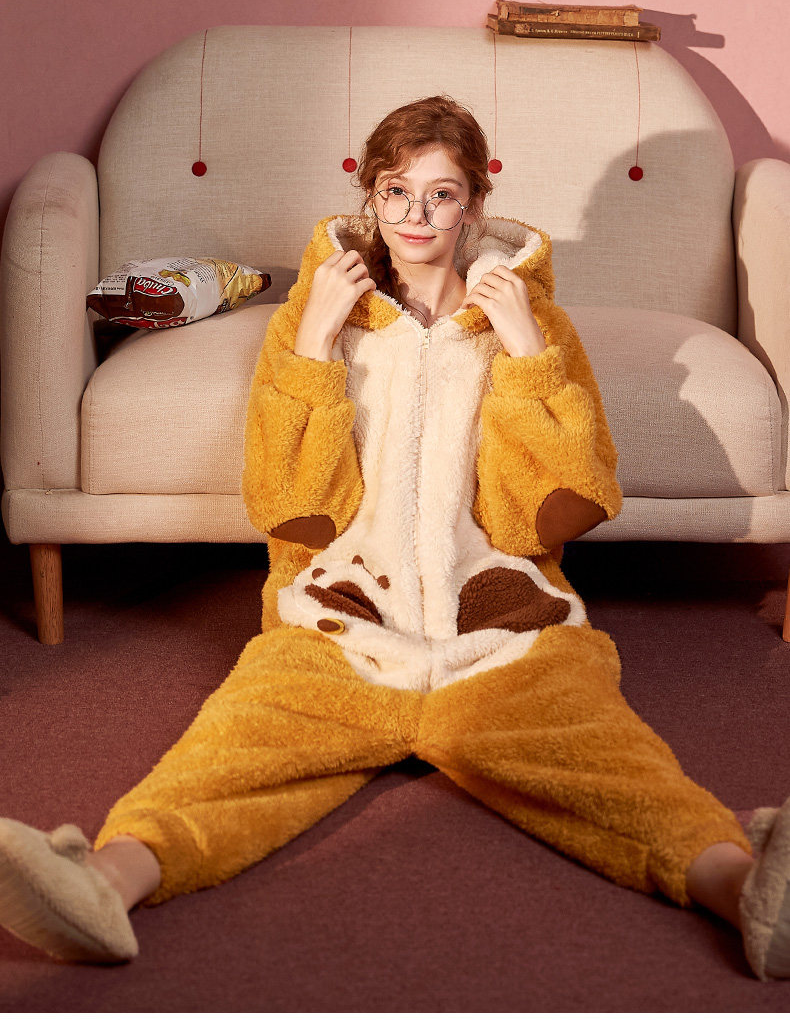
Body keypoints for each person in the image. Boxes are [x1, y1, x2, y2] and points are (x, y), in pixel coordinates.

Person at [0, 95, 788, 980]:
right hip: (340, 623)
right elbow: (291, 508)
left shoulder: (535, 329)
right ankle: (102, 885)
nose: (417, 215)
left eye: (441, 194)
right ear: (370, 197)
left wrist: (528, 355)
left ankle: (747, 891)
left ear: (475, 204)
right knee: (227, 753)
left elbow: (552, 514)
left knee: (613, 767)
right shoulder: (316, 324)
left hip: (504, 629)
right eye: (395, 191)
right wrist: (310, 343)